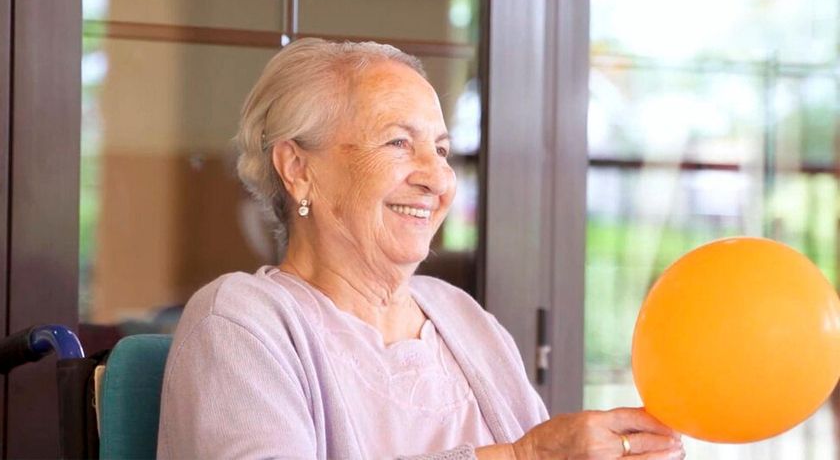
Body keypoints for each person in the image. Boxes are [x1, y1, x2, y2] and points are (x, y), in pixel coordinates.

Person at [156, 38, 685, 460]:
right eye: (397, 143)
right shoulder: (239, 323)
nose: (437, 178)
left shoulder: (463, 320)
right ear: (298, 168)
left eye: (441, 149)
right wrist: (521, 457)